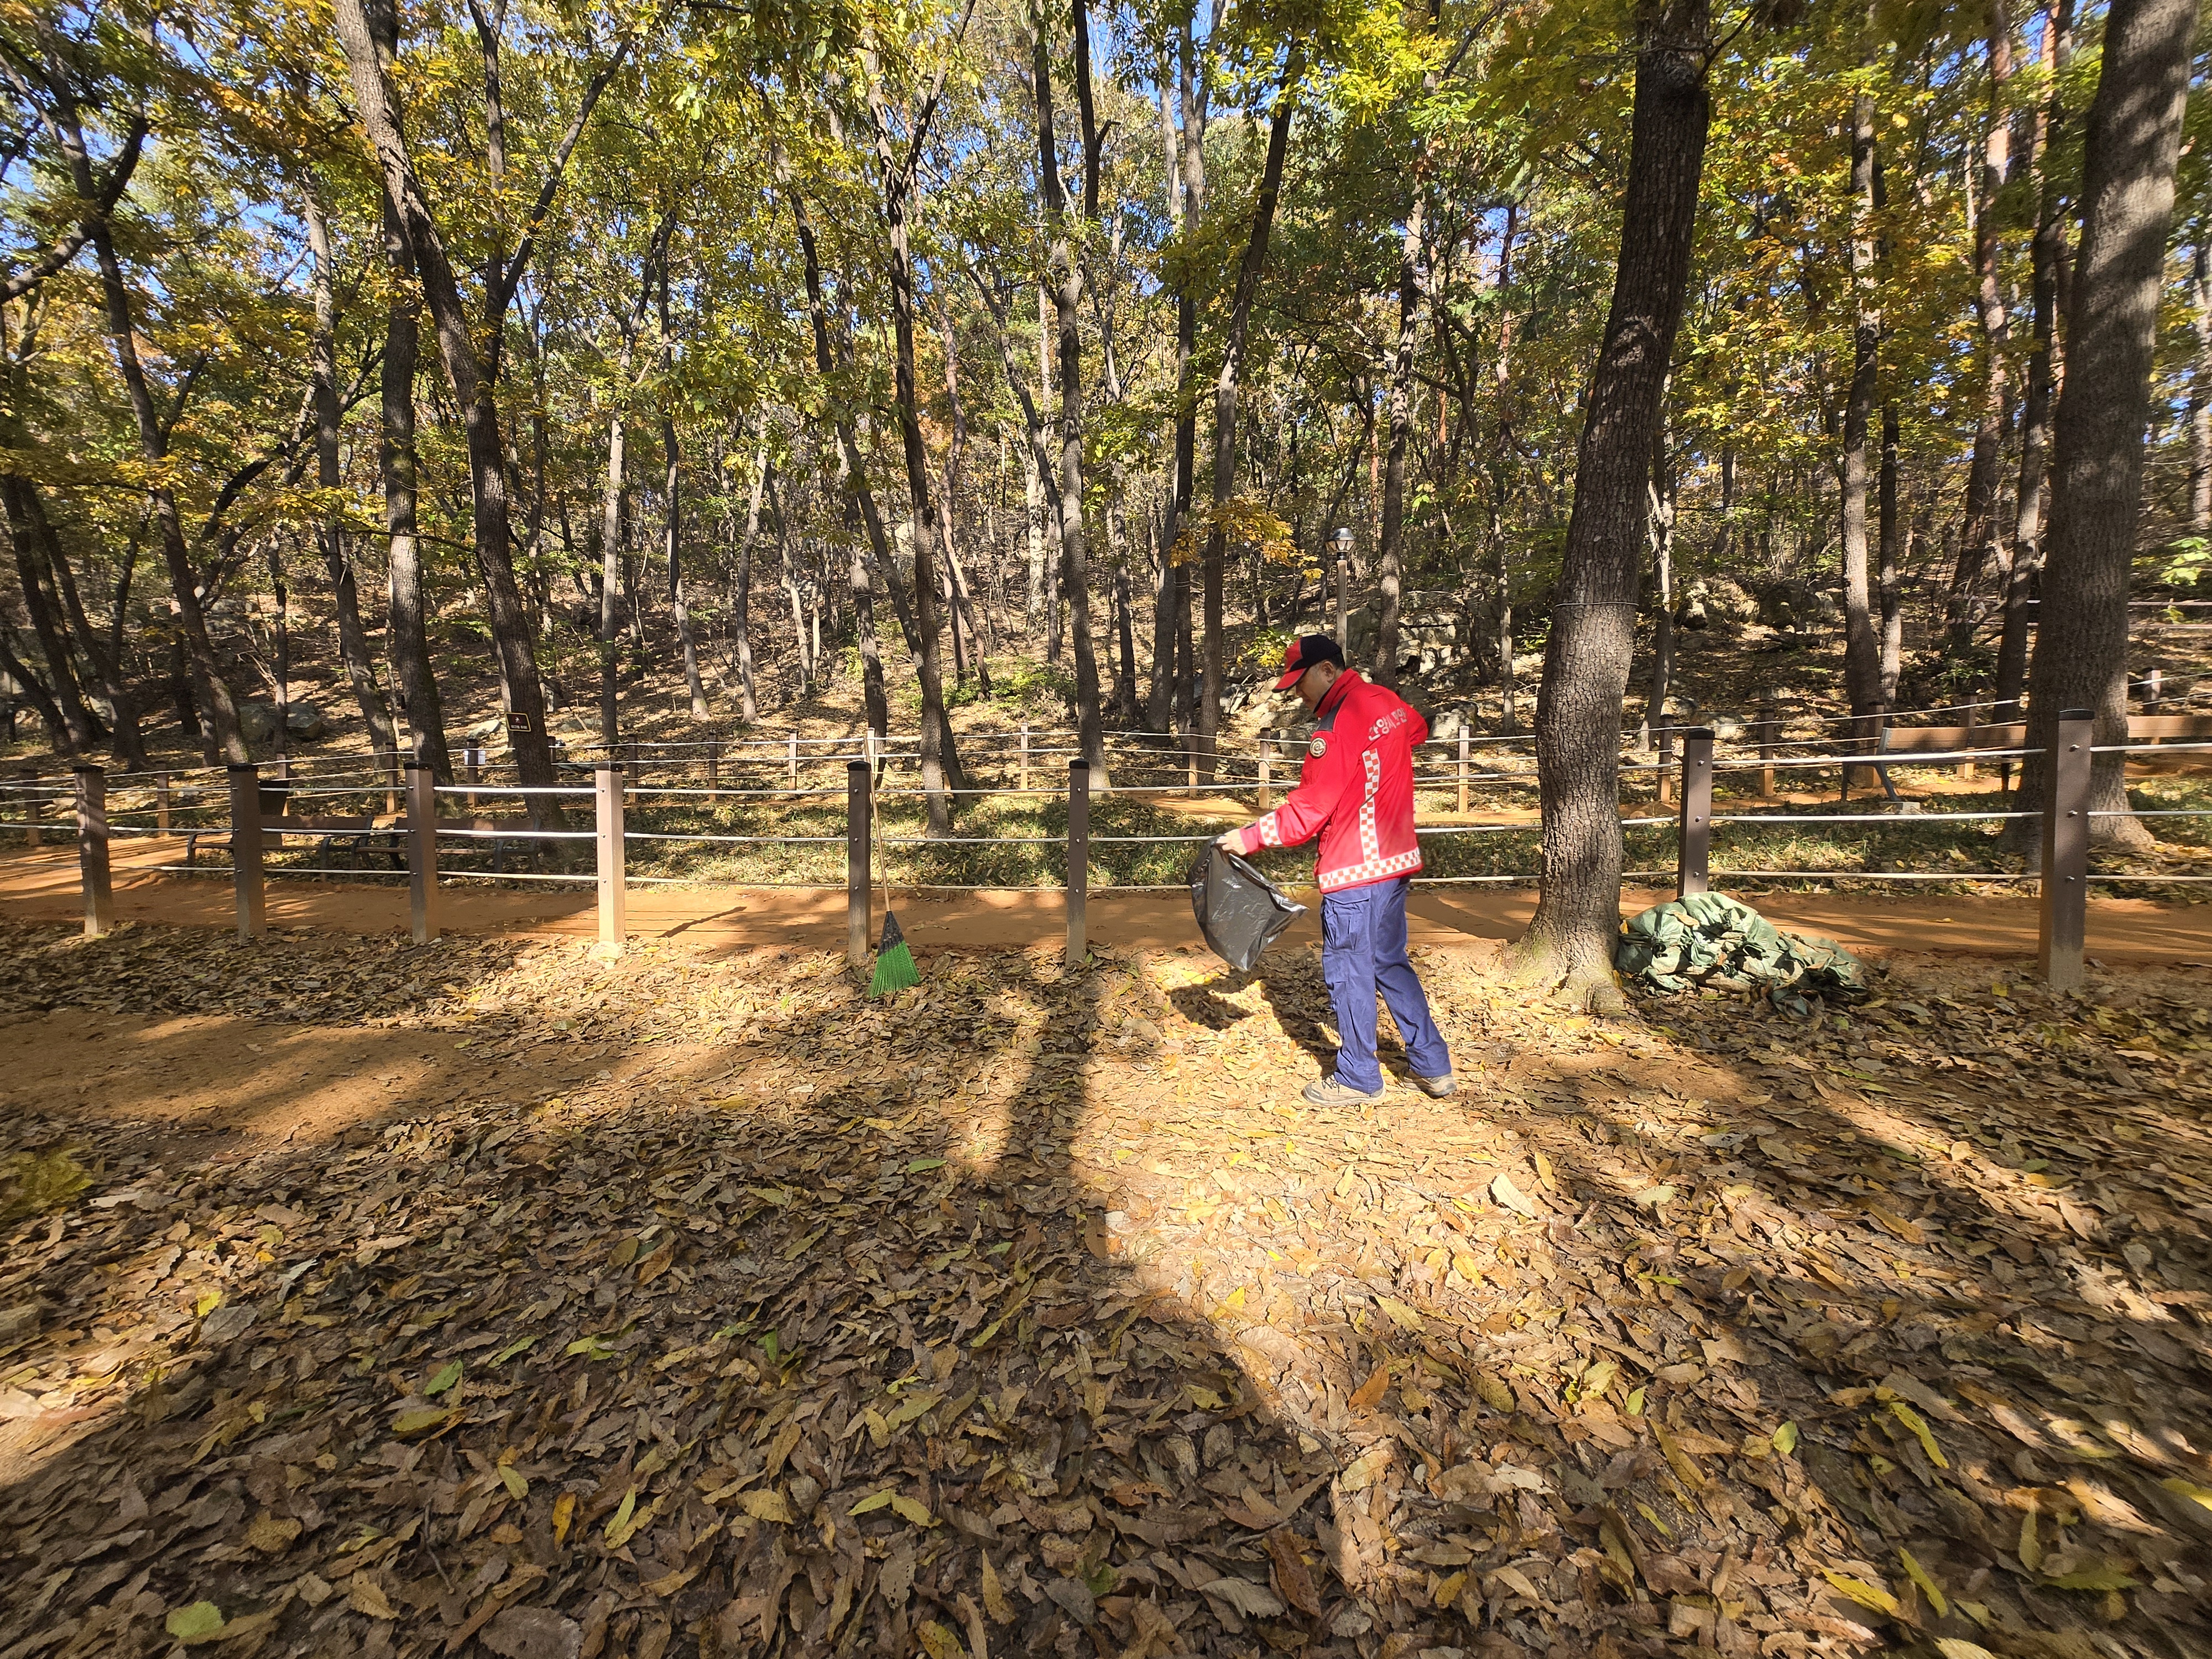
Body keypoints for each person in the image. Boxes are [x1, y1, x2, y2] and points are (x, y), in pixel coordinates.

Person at [1217, 635, 1454, 1105]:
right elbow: (1416, 730)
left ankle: (1358, 1077)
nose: (1296, 693)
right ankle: (1433, 1066)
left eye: (1299, 681)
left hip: (1354, 868)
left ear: (1326, 670)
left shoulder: (1337, 725)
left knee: (1348, 970)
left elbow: (1310, 808)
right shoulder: (1383, 699)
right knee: (1389, 961)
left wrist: (1248, 837)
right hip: (1396, 859)